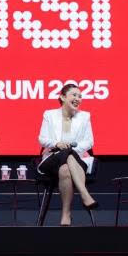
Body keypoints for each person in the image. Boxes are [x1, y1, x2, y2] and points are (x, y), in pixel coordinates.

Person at [37, 83, 98, 226]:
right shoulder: (49, 115)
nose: (78, 99)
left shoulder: (84, 116)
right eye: (74, 95)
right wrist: (56, 144)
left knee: (65, 168)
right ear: (63, 97)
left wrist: (71, 150)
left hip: (76, 159)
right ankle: (84, 194)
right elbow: (42, 139)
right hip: (52, 158)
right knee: (66, 153)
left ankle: (66, 214)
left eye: (80, 96)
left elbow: (89, 142)